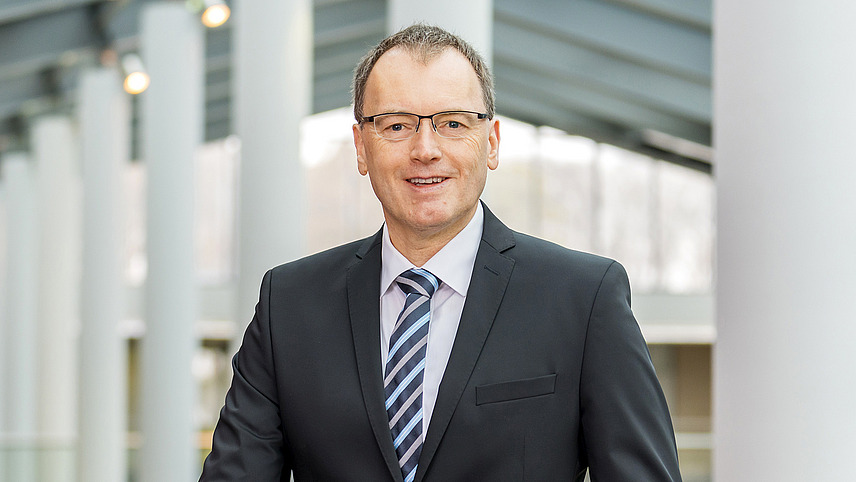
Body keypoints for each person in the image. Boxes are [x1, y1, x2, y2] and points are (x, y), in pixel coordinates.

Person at [200, 24, 681, 481]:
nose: (425, 149)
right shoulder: (289, 303)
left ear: (490, 142)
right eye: (396, 126)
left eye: (452, 123)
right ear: (361, 147)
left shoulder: (583, 299)